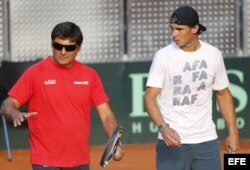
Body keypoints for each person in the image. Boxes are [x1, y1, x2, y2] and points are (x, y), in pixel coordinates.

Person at [0, 22, 124, 170]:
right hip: (45, 160)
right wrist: (14, 113)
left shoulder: (90, 76)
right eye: (58, 46)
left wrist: (115, 141)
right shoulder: (35, 73)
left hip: (80, 160)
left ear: (79, 48)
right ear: (52, 45)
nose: (63, 52)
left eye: (69, 47)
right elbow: (7, 104)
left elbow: (106, 115)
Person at [144, 5, 239, 170]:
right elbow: (149, 97)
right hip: (172, 143)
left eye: (179, 29)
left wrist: (233, 132)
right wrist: (163, 128)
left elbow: (223, 94)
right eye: (172, 29)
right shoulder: (163, 56)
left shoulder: (213, 54)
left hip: (206, 142)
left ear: (195, 28)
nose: (174, 34)